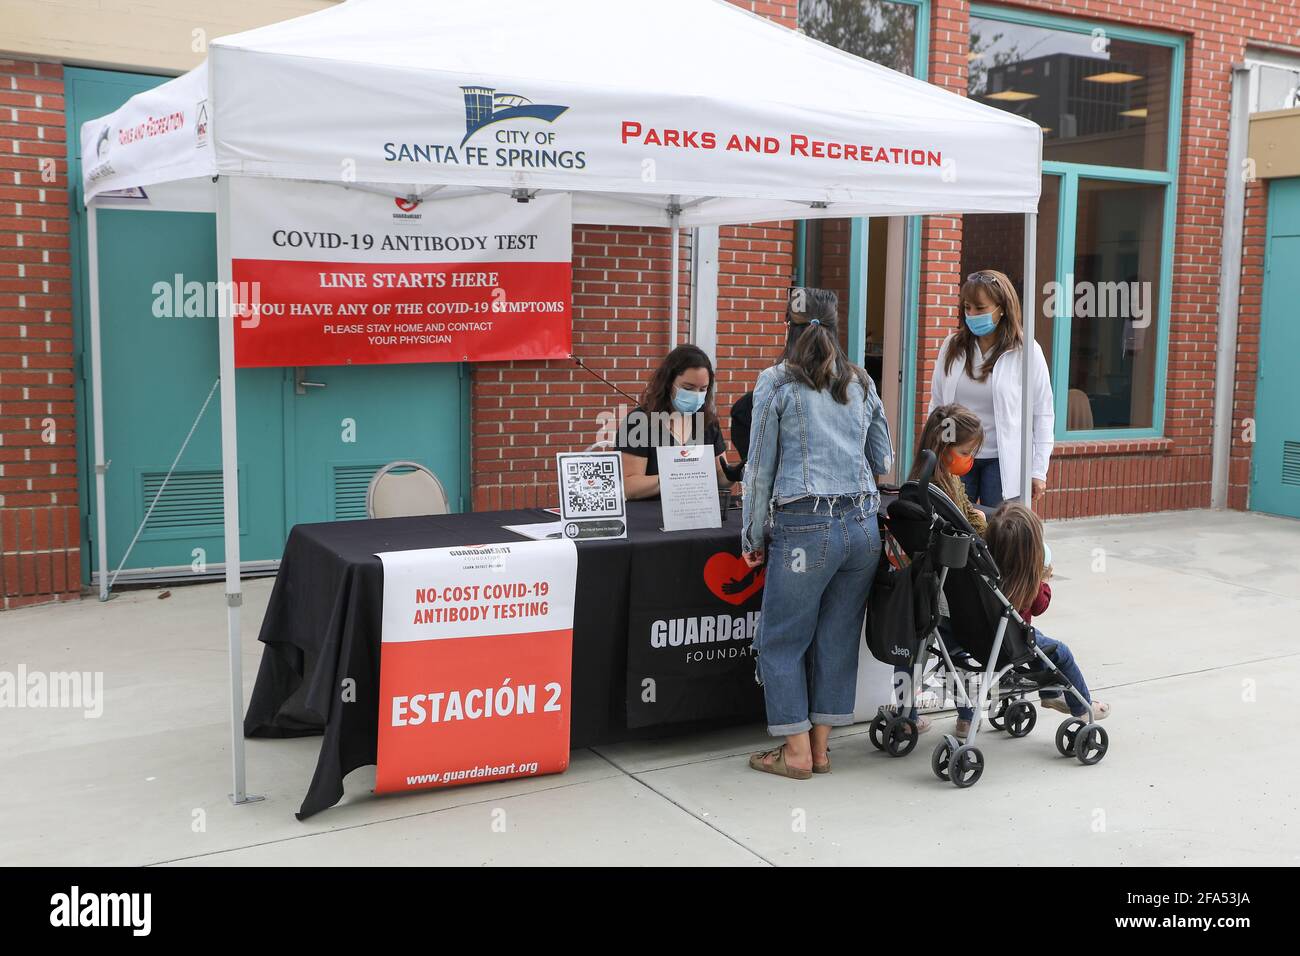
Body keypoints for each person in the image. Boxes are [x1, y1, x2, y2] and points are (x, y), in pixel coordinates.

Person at [741, 287, 893, 779]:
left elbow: (759, 470)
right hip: (862, 526)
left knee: (782, 639)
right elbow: (884, 462)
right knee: (837, 638)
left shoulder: (776, 382)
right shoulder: (861, 380)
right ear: (835, 327)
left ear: (789, 326)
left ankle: (796, 753)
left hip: (805, 526)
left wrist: (752, 539)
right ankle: (823, 750)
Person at [892, 404, 987, 738]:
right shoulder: (942, 490)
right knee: (955, 650)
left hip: (922, 587)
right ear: (945, 449)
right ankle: (967, 713)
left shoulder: (919, 484)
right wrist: (983, 522)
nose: (969, 459)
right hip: (950, 590)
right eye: (964, 452)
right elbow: (966, 528)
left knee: (914, 651)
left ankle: (906, 713)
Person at [928, 269, 1054, 508]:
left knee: (999, 536)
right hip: (955, 458)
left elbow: (1043, 413)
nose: (972, 315)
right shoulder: (951, 347)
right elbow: (937, 405)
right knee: (953, 533)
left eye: (980, 308)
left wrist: (1039, 470)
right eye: (967, 308)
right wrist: (937, 453)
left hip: (1003, 463)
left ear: (1002, 308)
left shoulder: (1026, 351)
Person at [984, 502, 1110, 721]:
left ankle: (1050, 693)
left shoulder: (985, 574)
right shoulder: (1025, 582)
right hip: (1010, 643)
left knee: (1036, 641)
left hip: (982, 636)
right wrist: (1042, 580)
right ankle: (1082, 707)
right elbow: (1040, 607)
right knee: (1061, 653)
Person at [615, 344, 733, 500]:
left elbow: (719, 477)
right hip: (649, 517)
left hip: (697, 513)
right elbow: (628, 486)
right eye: (688, 387)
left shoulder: (706, 421)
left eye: (703, 389)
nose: (696, 395)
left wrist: (734, 474)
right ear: (668, 383)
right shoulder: (639, 423)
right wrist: (675, 477)